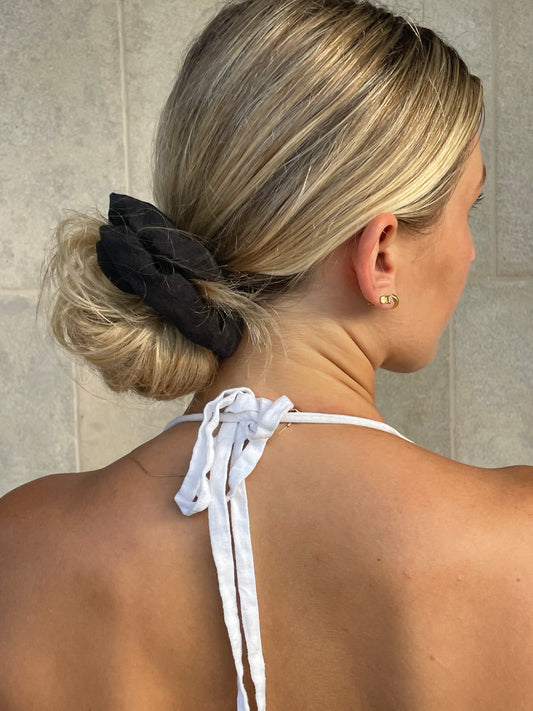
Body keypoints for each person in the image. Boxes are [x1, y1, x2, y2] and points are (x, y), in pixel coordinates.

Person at [1, 0, 531, 709]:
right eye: (468, 210)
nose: (468, 253)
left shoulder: (20, 546)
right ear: (380, 253)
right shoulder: (518, 541)